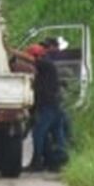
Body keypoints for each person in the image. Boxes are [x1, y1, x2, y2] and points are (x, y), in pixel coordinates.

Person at [29, 44, 68, 172]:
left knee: (38, 133)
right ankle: (56, 163)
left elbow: (31, 61)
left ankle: (37, 162)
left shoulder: (45, 64)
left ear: (36, 56)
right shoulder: (47, 67)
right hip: (54, 106)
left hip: (48, 107)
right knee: (57, 134)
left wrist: (10, 50)